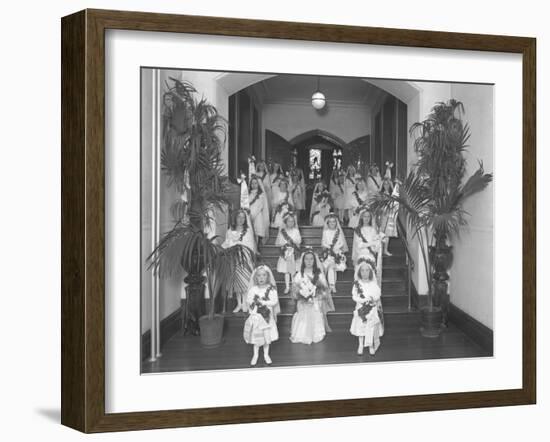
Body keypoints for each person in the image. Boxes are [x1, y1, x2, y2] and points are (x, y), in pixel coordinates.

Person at [290, 250, 330, 344]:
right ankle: (302, 335)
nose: (309, 261)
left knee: (315, 314)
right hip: (303, 302)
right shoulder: (299, 274)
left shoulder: (319, 274)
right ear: (303, 261)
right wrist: (302, 296)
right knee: (303, 316)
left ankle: (316, 334)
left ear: (314, 261)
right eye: (306, 259)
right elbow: (295, 290)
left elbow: (324, 289)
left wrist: (316, 296)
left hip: (315, 301)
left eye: (311, 259)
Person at [222, 209, 257, 313]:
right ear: (235, 218)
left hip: (245, 259)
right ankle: (239, 303)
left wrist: (248, 257)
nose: (241, 219)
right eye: (239, 217)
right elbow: (227, 242)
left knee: (245, 281)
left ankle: (245, 303)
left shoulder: (248, 231)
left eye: (243, 217)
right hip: (234, 259)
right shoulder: (230, 230)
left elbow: (250, 245)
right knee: (237, 282)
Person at [243, 265, 280, 366]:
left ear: (267, 277)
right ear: (255, 277)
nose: (261, 278)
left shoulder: (271, 289)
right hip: (256, 317)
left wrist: (263, 302)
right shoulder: (253, 289)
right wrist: (254, 305)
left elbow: (274, 301)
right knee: (257, 337)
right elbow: (248, 300)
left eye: (264, 275)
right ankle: (255, 355)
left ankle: (266, 354)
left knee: (266, 337)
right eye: (259, 275)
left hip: (267, 317)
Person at [349, 260, 384, 355]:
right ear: (359, 272)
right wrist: (363, 301)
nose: (365, 273)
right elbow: (354, 296)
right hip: (361, 308)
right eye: (362, 271)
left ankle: (370, 345)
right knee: (361, 326)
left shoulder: (373, 284)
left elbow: (377, 294)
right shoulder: (357, 284)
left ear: (370, 272)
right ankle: (360, 344)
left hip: (371, 308)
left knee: (371, 326)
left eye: (367, 270)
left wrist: (373, 300)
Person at [351, 208, 383, 284]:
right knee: (361, 270)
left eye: (368, 216)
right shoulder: (358, 230)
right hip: (361, 254)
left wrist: (379, 241)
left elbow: (376, 247)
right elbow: (360, 245)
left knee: (371, 272)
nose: (366, 218)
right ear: (361, 218)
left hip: (371, 254)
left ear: (371, 218)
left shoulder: (373, 230)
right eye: (365, 216)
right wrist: (372, 243)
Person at [320, 213, 348, 294]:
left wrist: (336, 248)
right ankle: (332, 286)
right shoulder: (325, 232)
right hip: (328, 251)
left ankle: (332, 286)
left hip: (337, 252)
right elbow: (323, 242)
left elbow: (341, 242)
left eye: (334, 222)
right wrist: (329, 246)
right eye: (330, 222)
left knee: (332, 267)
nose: (332, 223)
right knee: (331, 267)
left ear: (336, 223)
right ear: (328, 223)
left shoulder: (338, 232)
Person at [275, 212, 302, 294]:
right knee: (286, 271)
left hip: (294, 252)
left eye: (292, 221)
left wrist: (293, 243)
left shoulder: (296, 231)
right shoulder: (282, 232)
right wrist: (285, 245)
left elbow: (299, 240)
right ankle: (287, 287)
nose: (291, 223)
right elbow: (279, 242)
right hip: (285, 252)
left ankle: (294, 286)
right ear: (285, 222)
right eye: (289, 221)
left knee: (293, 270)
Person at [248, 175, 270, 247]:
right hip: (249, 215)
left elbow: (260, 206)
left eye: (255, 183)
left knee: (256, 233)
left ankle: (256, 249)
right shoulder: (249, 194)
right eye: (252, 183)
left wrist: (253, 215)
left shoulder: (261, 194)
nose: (254, 185)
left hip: (257, 216)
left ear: (258, 184)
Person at [379, 177, 399, 256]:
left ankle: (385, 250)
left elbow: (395, 204)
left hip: (389, 214)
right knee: (381, 232)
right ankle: (380, 249)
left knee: (387, 234)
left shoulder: (392, 194)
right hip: (382, 215)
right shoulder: (381, 194)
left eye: (387, 184)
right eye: (385, 184)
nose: (386, 185)